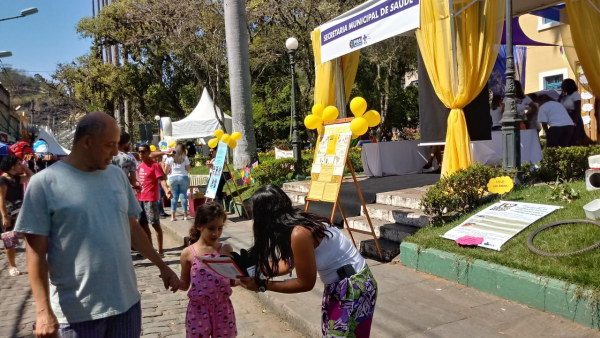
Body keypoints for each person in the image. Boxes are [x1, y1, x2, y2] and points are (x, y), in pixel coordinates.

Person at [15, 112, 180, 338]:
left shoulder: (116, 176)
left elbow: (132, 228)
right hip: (76, 315)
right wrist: (43, 312)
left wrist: (162, 265)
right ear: (87, 142)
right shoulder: (43, 184)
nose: (115, 152)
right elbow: (35, 254)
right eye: (110, 145)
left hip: (126, 306)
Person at [238, 185, 377, 337]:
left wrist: (262, 285)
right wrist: (255, 272)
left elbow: (305, 283)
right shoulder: (293, 225)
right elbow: (287, 264)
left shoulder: (299, 233)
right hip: (344, 285)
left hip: (352, 287)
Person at [177, 202, 238, 338]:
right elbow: (184, 284)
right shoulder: (188, 253)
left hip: (223, 309)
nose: (216, 233)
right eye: (211, 228)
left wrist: (244, 279)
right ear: (199, 226)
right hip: (198, 311)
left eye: (220, 228)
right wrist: (175, 282)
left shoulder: (226, 250)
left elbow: (232, 280)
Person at [0, 155, 34, 277]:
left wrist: (22, 165)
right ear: (12, 166)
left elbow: (31, 176)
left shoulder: (16, 178)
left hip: (20, 212)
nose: (21, 166)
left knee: (29, 237)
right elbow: (1, 199)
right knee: (10, 240)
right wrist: (4, 216)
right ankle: (12, 265)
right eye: (18, 164)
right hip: (8, 214)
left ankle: (32, 262)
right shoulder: (3, 180)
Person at [138, 144, 172, 256]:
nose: (140, 154)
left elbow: (162, 180)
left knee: (155, 224)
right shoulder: (140, 166)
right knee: (142, 224)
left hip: (151, 198)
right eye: (139, 152)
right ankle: (150, 249)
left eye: (143, 151)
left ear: (149, 153)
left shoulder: (155, 165)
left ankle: (160, 250)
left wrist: (166, 191)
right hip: (140, 198)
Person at [165, 143, 191, 221]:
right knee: (183, 196)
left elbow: (166, 170)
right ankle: (185, 215)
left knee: (174, 197)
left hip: (173, 177)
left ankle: (173, 216)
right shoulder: (185, 157)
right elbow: (188, 168)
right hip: (183, 177)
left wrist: (169, 170)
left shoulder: (170, 158)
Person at [560, 79, 586, 146]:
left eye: (564, 85)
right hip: (565, 118)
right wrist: (560, 97)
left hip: (573, 117)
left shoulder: (575, 95)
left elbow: (578, 110)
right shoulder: (565, 97)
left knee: (575, 137)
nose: (562, 87)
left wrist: (574, 122)